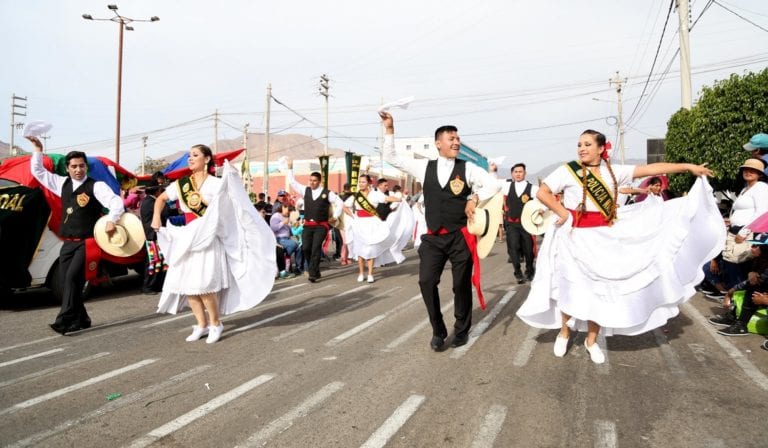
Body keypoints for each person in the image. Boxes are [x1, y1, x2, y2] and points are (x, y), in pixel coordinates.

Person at [516, 129, 722, 363]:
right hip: (573, 238)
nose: (581, 148)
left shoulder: (615, 172)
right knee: (568, 287)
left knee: (600, 290)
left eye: (587, 144)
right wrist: (563, 213)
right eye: (579, 144)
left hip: (604, 239)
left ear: (601, 148)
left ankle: (591, 340)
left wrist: (688, 167)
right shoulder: (568, 171)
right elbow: (543, 193)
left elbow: (652, 169)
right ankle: (564, 332)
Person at [380, 111, 501, 351]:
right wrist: (389, 129)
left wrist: (474, 197)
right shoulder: (424, 166)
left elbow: (493, 184)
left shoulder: (468, 169)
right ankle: (438, 330)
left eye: (457, 139)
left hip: (460, 236)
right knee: (426, 281)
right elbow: (391, 157)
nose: (456, 142)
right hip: (434, 237)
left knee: (460, 286)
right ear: (438, 143)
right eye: (451, 139)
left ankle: (461, 329)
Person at [151, 144, 276, 343]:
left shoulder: (216, 184)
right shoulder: (182, 184)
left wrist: (232, 177)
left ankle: (216, 323)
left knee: (205, 286)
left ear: (207, 159)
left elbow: (235, 204)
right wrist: (156, 217)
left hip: (208, 238)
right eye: (189, 156)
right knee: (188, 286)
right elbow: (161, 199)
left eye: (195, 155)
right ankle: (201, 324)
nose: (190, 159)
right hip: (187, 237)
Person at [27, 136, 124, 334]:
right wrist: (38, 149)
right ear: (68, 168)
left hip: (87, 242)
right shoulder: (61, 183)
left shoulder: (96, 186)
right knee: (69, 281)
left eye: (81, 166)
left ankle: (64, 319)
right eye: (74, 166)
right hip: (68, 243)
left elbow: (116, 203)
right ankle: (82, 318)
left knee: (71, 279)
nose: (78, 169)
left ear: (86, 167)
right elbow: (37, 171)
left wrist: (111, 220)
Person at [285, 158, 344, 282]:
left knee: (316, 247)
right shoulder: (305, 190)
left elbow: (340, 202)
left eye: (314, 181)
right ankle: (316, 271)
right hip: (307, 225)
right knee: (306, 248)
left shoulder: (327, 193)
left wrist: (335, 216)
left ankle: (312, 273)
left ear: (319, 181)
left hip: (321, 226)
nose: (312, 183)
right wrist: (290, 168)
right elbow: (292, 182)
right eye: (310, 180)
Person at [343, 174, 403, 283]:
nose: (361, 184)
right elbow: (345, 206)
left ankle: (370, 273)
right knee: (360, 249)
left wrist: (398, 199)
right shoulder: (356, 196)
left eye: (363, 182)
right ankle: (361, 273)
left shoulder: (374, 195)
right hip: (359, 224)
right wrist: (353, 216)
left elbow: (386, 198)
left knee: (370, 248)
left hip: (372, 223)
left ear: (369, 183)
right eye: (360, 182)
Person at [709, 233, 768, 335]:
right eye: (753, 245)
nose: (752, 248)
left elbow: (756, 281)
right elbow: (754, 280)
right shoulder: (760, 260)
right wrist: (752, 273)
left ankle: (741, 324)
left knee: (753, 289)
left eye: (756, 246)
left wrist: (765, 300)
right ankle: (735, 317)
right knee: (751, 287)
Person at [502, 163, 538, 283]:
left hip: (527, 224)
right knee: (513, 248)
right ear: (512, 174)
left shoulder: (532, 188)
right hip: (512, 223)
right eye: (516, 172)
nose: (518, 174)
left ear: (525, 173)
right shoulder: (506, 186)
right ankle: (517, 272)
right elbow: (491, 186)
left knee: (528, 250)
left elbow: (541, 200)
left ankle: (529, 270)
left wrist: (542, 209)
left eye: (520, 171)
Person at [139, 171, 170, 295]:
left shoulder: (150, 201)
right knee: (153, 263)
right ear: (156, 191)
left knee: (159, 263)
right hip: (153, 236)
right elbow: (165, 213)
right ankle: (148, 286)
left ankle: (157, 285)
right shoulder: (151, 202)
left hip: (156, 235)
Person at [270, 204, 299, 278]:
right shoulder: (276, 216)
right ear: (283, 208)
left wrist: (294, 226)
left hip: (287, 238)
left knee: (299, 247)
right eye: (288, 210)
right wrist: (283, 223)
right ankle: (287, 259)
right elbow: (273, 228)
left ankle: (298, 267)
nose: (288, 212)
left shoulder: (286, 217)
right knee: (293, 244)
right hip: (280, 238)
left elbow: (289, 230)